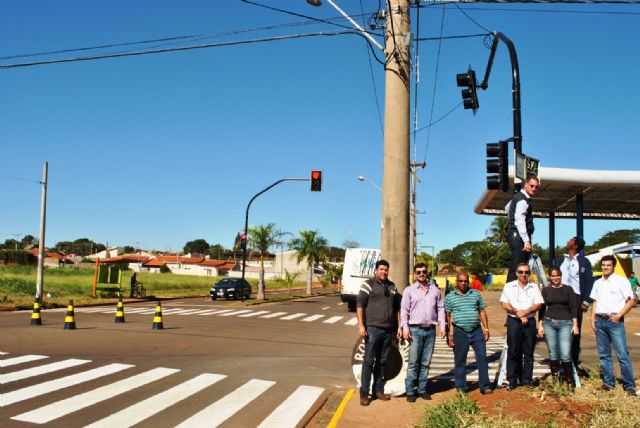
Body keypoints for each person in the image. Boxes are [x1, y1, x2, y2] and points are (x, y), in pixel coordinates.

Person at [590, 255, 637, 396]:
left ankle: (629, 386)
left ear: (613, 266)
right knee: (604, 355)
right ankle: (608, 383)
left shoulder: (621, 281)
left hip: (614, 322)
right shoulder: (598, 283)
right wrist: (592, 318)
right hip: (600, 321)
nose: (605, 267)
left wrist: (618, 316)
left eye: (608, 265)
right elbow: (595, 302)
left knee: (622, 355)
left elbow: (632, 301)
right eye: (603, 265)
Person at [357, 259, 402, 406]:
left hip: (388, 330)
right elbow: (360, 305)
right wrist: (361, 326)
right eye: (381, 269)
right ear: (376, 270)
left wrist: (399, 326)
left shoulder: (392, 286)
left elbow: (397, 309)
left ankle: (378, 391)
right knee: (369, 361)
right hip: (372, 329)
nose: (384, 272)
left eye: (386, 269)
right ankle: (364, 393)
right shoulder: (368, 284)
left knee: (382, 362)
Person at [400, 263, 445, 402]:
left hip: (430, 330)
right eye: (418, 272)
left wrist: (443, 326)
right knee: (413, 362)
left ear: (427, 273)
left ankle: (422, 389)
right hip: (415, 330)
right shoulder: (409, 291)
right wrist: (405, 329)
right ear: (415, 274)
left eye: (424, 271)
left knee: (426, 362)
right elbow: (404, 311)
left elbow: (441, 308)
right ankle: (410, 391)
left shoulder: (435, 290)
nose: (421, 274)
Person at [445, 272, 492, 394]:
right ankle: (461, 387)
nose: (463, 283)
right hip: (459, 332)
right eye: (460, 281)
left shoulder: (476, 294)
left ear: (468, 282)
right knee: (460, 361)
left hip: (476, 331)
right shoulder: (450, 297)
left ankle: (485, 386)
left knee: (482, 358)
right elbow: (448, 317)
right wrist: (448, 334)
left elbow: (482, 311)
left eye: (465, 281)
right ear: (456, 282)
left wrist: (486, 329)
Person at [500, 262, 544, 390]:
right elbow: (504, 304)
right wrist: (517, 313)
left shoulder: (534, 287)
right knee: (513, 351)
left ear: (529, 273)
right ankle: (513, 380)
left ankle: (527, 380)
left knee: (528, 352)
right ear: (516, 273)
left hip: (529, 322)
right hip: (513, 321)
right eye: (521, 272)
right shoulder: (509, 286)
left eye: (526, 272)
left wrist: (525, 312)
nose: (524, 275)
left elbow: (538, 304)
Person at [537, 266, 579, 387]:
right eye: (553, 275)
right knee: (553, 353)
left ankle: (570, 381)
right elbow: (542, 309)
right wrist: (540, 325)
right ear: (549, 277)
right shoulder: (546, 290)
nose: (555, 278)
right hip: (549, 323)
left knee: (565, 353)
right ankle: (556, 381)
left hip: (565, 323)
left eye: (557, 275)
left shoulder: (568, 289)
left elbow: (573, 308)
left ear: (560, 276)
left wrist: (575, 325)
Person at [558, 236, 593, 370]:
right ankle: (562, 363)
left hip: (576, 298)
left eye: (571, 240)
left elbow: (589, 282)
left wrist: (586, 301)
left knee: (575, 330)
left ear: (576, 245)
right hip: (560, 298)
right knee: (561, 329)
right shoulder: (562, 260)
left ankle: (573, 363)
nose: (568, 241)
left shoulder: (584, 262)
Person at [505, 175, 539, 282]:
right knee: (518, 267)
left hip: (514, 234)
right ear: (525, 185)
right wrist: (526, 240)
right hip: (518, 236)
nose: (534, 188)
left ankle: (515, 293)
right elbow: (520, 221)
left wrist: (511, 218)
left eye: (536, 187)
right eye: (532, 186)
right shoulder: (523, 200)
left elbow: (507, 208)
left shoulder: (518, 197)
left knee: (519, 265)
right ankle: (510, 295)